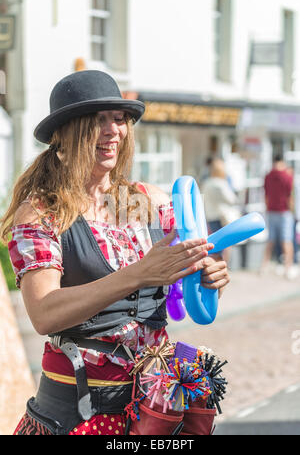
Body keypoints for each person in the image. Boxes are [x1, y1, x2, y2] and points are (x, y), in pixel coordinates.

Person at [0, 70, 230, 436]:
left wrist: (210, 276)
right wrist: (139, 273)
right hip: (80, 412)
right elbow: (43, 313)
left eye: (118, 119)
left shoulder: (150, 200)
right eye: (98, 120)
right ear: (66, 133)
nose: (112, 131)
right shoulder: (43, 212)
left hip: (156, 405)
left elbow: (191, 281)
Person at [261, 155, 295, 279]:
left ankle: (263, 267)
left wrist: (267, 208)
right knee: (287, 241)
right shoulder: (287, 176)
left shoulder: (268, 176)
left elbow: (266, 195)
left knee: (270, 240)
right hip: (284, 211)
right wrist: (292, 211)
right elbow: (290, 196)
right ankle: (288, 268)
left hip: (271, 211)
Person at [202, 158, 240, 263]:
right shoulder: (221, 183)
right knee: (226, 243)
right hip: (222, 216)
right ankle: (223, 265)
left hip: (210, 216)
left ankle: (214, 265)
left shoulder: (206, 183)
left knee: (215, 243)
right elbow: (232, 200)